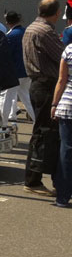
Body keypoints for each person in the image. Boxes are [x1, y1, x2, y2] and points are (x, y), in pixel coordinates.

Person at [23, 0, 64, 197]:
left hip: (37, 83)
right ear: (55, 13)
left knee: (40, 131)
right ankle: (33, 180)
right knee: (45, 133)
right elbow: (63, 56)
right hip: (47, 84)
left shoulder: (31, 28)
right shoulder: (46, 31)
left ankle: (33, 179)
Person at [1, 11, 35, 126]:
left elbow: (6, 55)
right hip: (27, 70)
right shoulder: (26, 32)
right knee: (27, 98)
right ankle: (37, 121)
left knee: (7, 98)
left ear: (8, 22)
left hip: (15, 72)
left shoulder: (11, 35)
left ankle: (3, 123)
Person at [52, 39, 72, 208]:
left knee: (66, 151)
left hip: (68, 106)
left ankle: (63, 197)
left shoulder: (69, 50)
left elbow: (61, 80)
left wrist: (54, 104)